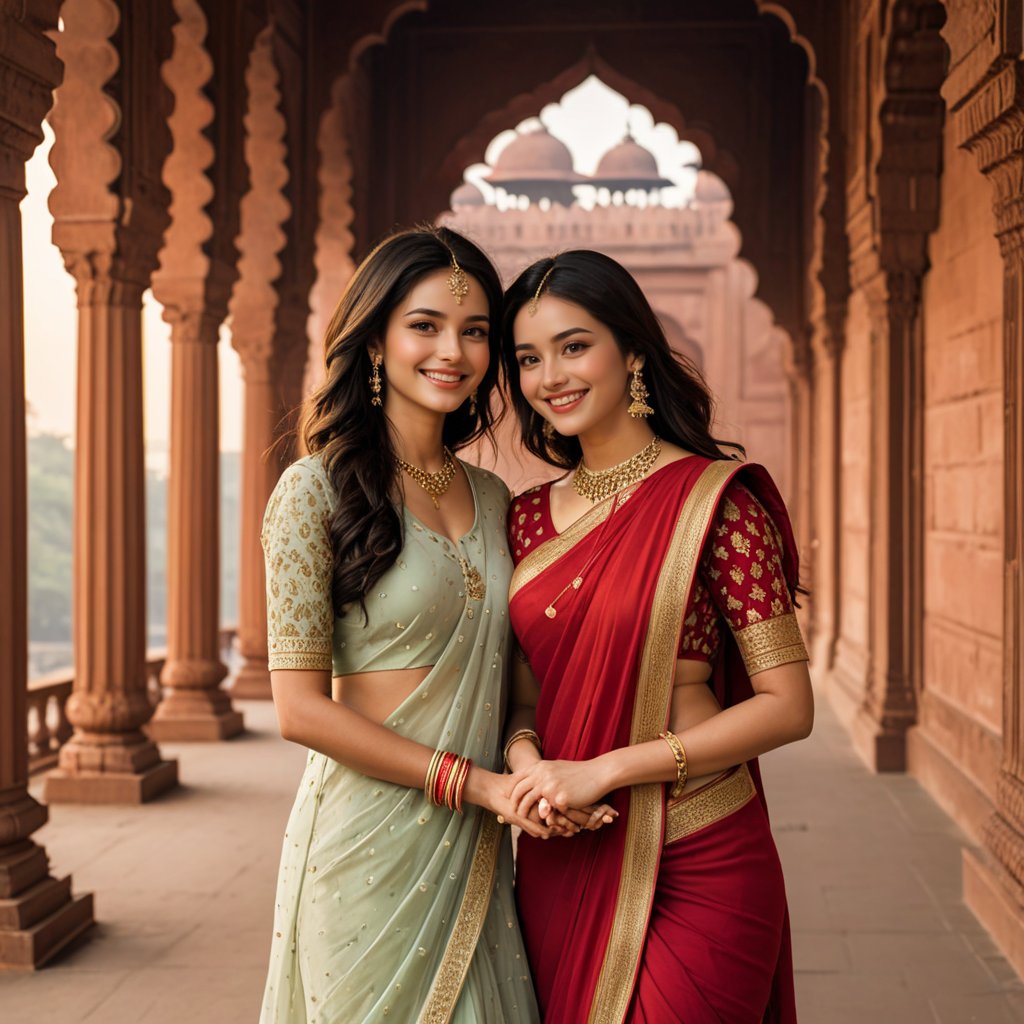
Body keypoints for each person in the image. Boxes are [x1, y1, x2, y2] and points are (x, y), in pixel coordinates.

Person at [500, 249, 813, 1024]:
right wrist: (529, 769)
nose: (551, 377)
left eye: (575, 346)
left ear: (633, 350)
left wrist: (606, 770)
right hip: (564, 846)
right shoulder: (527, 519)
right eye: (529, 359)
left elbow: (788, 705)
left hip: (698, 842)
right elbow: (525, 695)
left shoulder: (716, 503)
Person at [257, 227, 544, 1024]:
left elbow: (517, 682)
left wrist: (521, 764)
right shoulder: (313, 493)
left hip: (479, 844)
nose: (453, 349)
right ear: (375, 338)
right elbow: (298, 710)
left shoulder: (494, 500)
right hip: (366, 847)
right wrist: (474, 784)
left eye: (476, 331)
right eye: (425, 325)